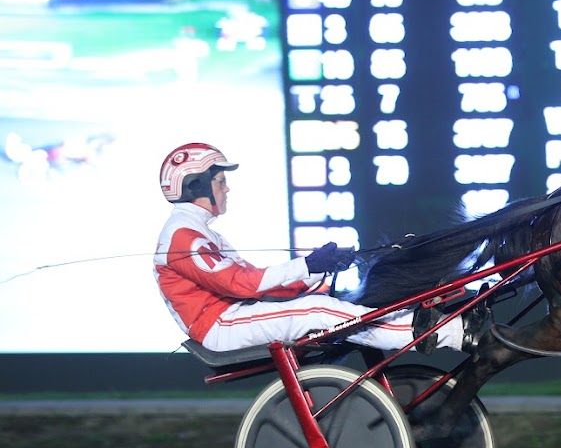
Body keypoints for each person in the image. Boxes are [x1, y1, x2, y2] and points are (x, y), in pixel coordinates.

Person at [153, 142, 462, 354]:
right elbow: (242, 284)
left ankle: (428, 325)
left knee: (322, 303)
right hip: (219, 326)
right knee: (317, 311)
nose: (226, 187)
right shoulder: (184, 236)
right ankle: (444, 333)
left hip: (230, 316)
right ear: (197, 187)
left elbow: (254, 283)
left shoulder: (198, 231)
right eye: (220, 180)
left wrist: (319, 277)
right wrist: (309, 265)